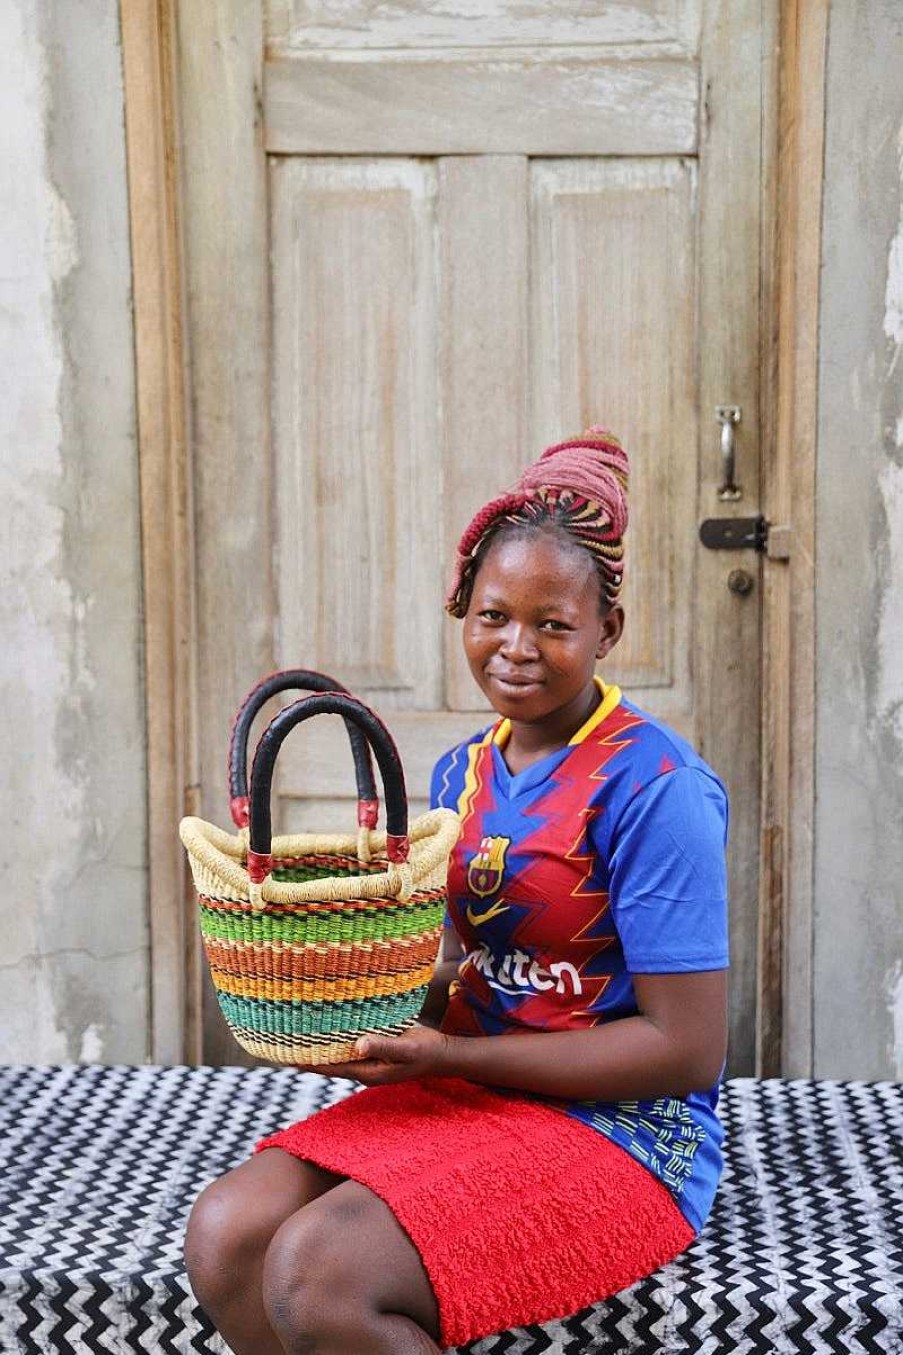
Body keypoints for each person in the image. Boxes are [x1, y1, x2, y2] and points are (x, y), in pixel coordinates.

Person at [184, 427, 730, 1355]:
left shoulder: (654, 788)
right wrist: (355, 1013)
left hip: (625, 1134)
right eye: (492, 615)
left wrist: (442, 1054)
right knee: (227, 1234)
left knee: (318, 1272)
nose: (516, 647)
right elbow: (473, 969)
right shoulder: (458, 777)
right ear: (461, 613)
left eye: (552, 623)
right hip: (473, 1084)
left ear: (607, 630)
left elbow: (684, 1049)